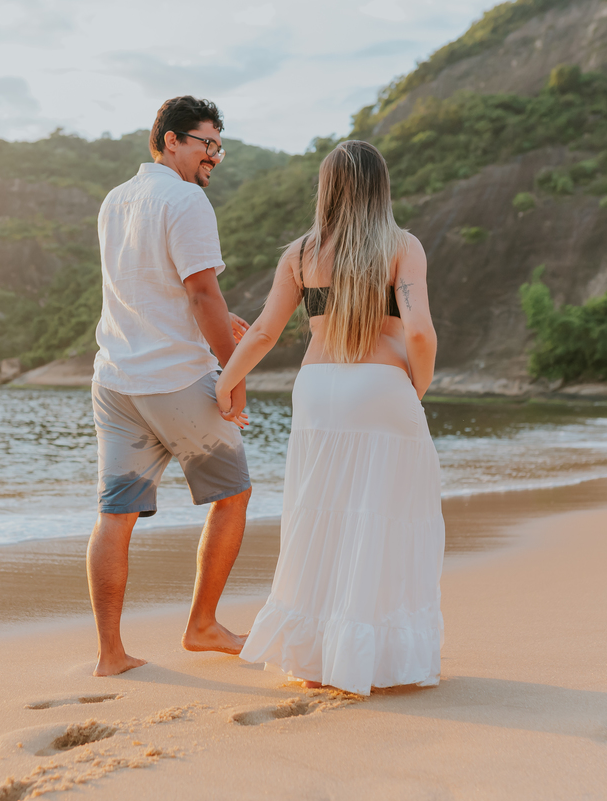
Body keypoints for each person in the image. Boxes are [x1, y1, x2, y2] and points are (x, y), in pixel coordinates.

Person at [215, 140, 443, 696]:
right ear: (380, 187)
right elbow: (417, 330)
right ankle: (372, 657)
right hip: (381, 385)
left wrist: (225, 383)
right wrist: (419, 384)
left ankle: (314, 659)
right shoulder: (401, 246)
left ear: (327, 188)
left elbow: (265, 332)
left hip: (316, 390)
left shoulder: (300, 253)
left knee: (318, 515)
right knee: (382, 517)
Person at [88, 96, 253, 677]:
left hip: (115, 380)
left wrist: (204, 325)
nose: (214, 156)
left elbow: (146, 288)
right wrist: (232, 375)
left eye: (218, 145)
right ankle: (202, 625)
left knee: (116, 515)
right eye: (206, 143)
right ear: (170, 141)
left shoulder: (115, 201)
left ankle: (110, 655)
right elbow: (202, 293)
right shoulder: (184, 199)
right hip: (175, 380)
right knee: (233, 494)